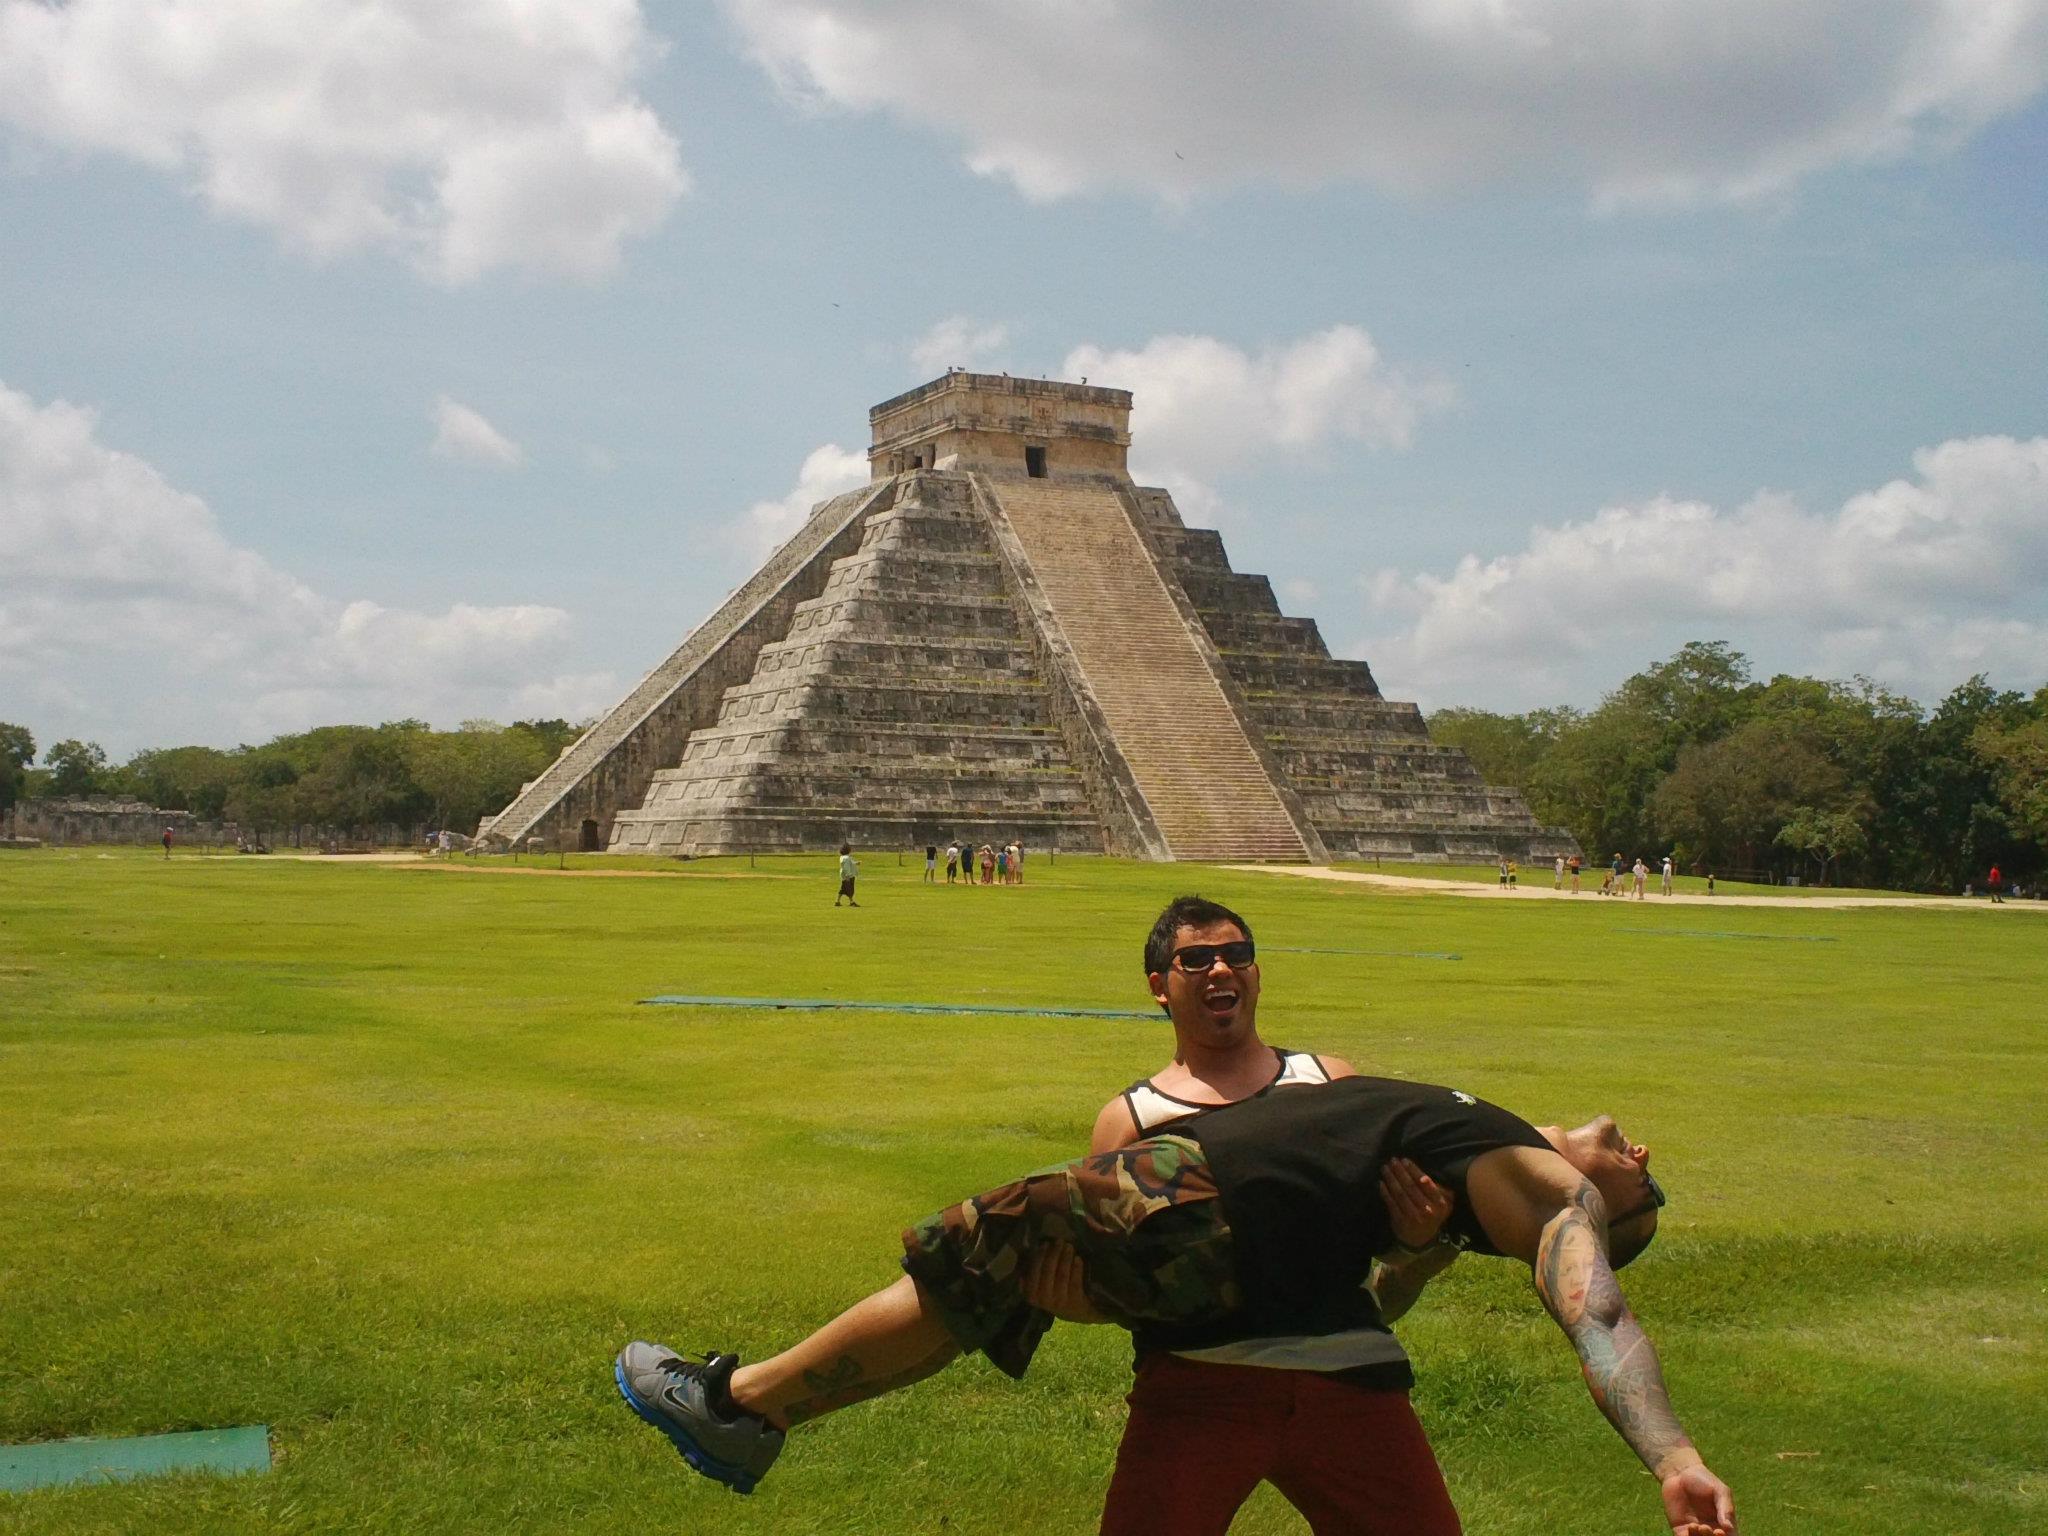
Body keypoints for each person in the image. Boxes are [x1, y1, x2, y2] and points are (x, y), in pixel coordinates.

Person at [613, 1069, 1734, 1535]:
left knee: (981, 1249)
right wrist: (1420, 1247)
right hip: (1232, 1243)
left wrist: (1669, 1454)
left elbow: (1595, 1312)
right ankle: (753, 1418)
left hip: (1198, 1192)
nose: (1637, 1151)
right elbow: (1372, 1295)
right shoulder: (1460, 1180)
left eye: (1641, 1180)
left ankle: (744, 1404)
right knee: (998, 1288)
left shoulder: (1553, 1194)